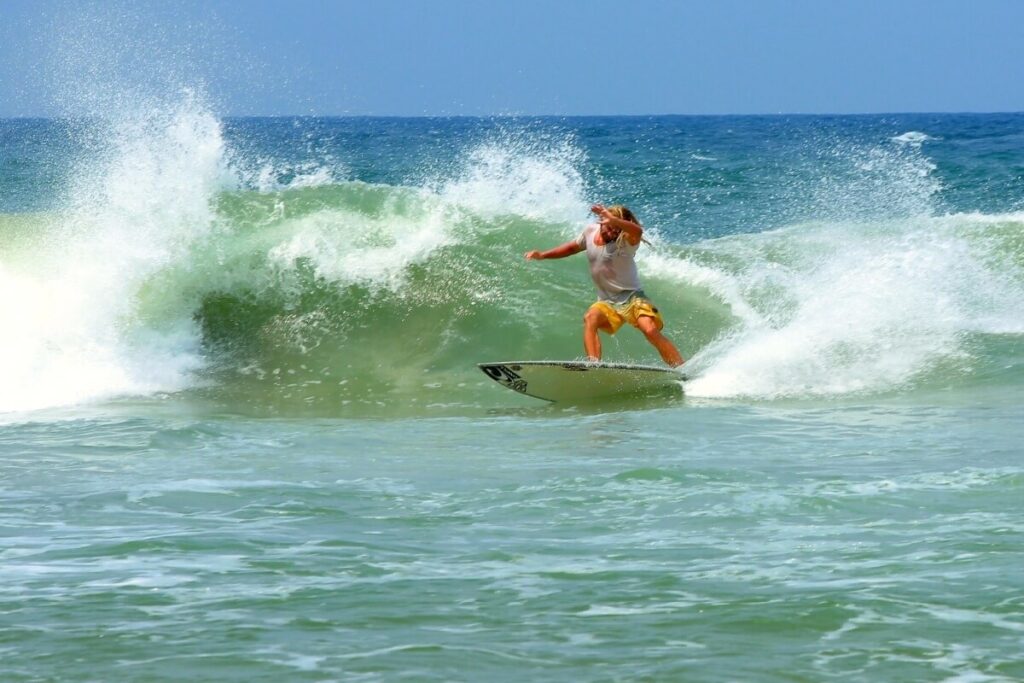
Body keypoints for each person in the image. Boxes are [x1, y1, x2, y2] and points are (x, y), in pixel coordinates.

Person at [525, 204, 684, 367]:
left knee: (650, 330)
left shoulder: (626, 241)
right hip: (607, 301)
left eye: (617, 229)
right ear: (602, 221)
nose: (612, 233)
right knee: (590, 318)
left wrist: (615, 221)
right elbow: (572, 248)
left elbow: (638, 232)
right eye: (609, 227)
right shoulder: (590, 232)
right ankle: (594, 366)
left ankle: (680, 367)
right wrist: (543, 255)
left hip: (632, 297)